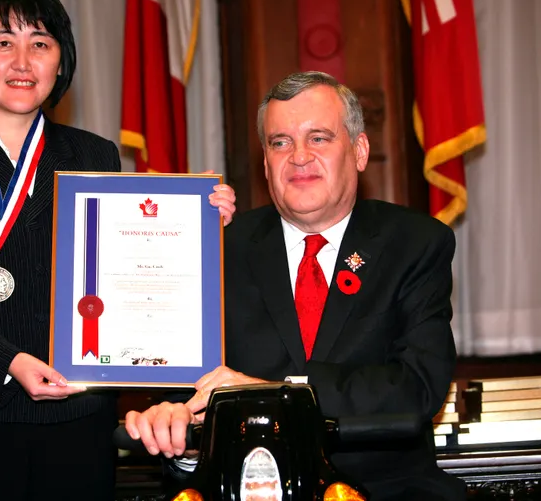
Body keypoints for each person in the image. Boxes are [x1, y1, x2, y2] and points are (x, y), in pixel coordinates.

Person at [0, 0, 235, 500]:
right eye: (4, 42)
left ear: (60, 61)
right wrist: (8, 363)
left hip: (77, 416)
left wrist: (197, 222)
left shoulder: (94, 157)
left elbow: (123, 266)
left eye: (41, 44)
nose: (22, 62)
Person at [125, 71, 466, 501]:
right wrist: (176, 436)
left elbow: (415, 388)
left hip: (385, 492)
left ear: (359, 151)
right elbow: (181, 400)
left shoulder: (415, 243)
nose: (299, 157)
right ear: (265, 162)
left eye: (319, 138)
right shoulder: (216, 250)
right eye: (280, 142)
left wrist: (271, 392)